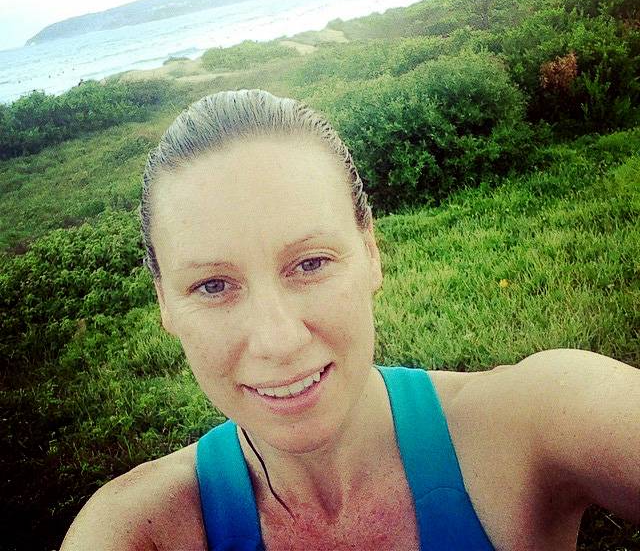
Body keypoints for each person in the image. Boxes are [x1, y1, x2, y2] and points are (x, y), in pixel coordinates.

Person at [61, 89, 639, 551]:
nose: (278, 341)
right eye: (213, 285)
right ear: (165, 303)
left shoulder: (534, 423)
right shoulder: (137, 531)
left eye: (310, 263)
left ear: (371, 254)